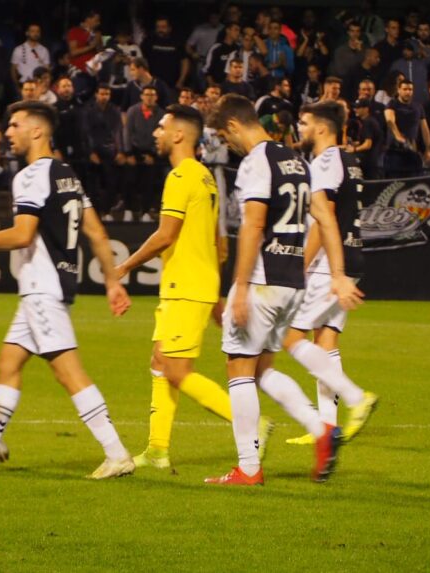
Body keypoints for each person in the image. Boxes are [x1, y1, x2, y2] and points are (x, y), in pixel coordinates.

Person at [0, 101, 135, 479]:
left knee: (68, 372)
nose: (7, 132)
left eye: (14, 125)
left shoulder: (31, 175)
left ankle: (117, 453)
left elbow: (22, 235)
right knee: (8, 363)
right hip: (49, 288)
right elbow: (97, 232)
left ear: (36, 131)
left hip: (42, 289)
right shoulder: (67, 174)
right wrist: (112, 281)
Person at [203, 95, 363, 486]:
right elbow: (326, 219)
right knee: (263, 369)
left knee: (238, 368)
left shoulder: (256, 161)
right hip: (293, 281)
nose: (228, 144)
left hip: (262, 280)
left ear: (234, 125)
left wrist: (240, 286)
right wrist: (338, 273)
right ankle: (322, 429)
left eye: (224, 136)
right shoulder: (297, 162)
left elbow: (254, 225)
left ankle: (249, 468)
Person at [113, 105, 243, 469]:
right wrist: (215, 294)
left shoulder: (182, 176)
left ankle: (251, 426)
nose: (155, 132)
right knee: (160, 362)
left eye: (161, 126)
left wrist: (124, 266)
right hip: (193, 283)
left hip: (185, 284)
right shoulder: (206, 177)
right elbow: (219, 244)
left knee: (175, 370)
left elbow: (165, 235)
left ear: (179, 134)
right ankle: (157, 449)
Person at [280, 101, 379, 447]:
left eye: (304, 122)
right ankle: (326, 427)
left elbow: (324, 220)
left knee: (290, 337)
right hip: (352, 258)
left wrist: (300, 265)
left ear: (321, 128)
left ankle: (357, 398)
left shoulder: (324, 163)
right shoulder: (349, 160)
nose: (300, 128)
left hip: (327, 265)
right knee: (325, 341)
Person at [124, 85, 165, 222]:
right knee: (129, 180)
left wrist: (153, 154)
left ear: (156, 97)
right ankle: (128, 210)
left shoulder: (161, 114)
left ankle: (146, 211)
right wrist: (129, 153)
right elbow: (127, 132)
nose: (149, 97)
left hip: (151, 152)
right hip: (133, 151)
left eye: (152, 95)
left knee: (149, 181)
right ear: (141, 96)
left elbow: (161, 135)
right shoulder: (133, 111)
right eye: (147, 94)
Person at [83, 84, 124, 217]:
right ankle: (95, 213)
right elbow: (86, 133)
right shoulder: (89, 111)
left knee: (111, 183)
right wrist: (90, 152)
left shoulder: (114, 111)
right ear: (96, 94)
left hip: (110, 151)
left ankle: (107, 211)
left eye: (107, 94)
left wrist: (120, 151)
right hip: (94, 151)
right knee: (93, 185)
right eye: (101, 94)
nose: (104, 97)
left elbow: (118, 132)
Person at [384, 79, 430, 177]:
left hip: (412, 151)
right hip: (395, 152)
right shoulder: (392, 104)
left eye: (410, 89)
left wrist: (428, 149)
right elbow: (390, 121)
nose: (408, 92)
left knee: (414, 181)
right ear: (399, 90)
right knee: (395, 182)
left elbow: (425, 129)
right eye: (405, 89)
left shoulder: (418, 107)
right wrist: (398, 136)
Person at [142, 16, 189, 91]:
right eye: (158, 27)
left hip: (173, 84)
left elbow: (184, 62)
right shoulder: (148, 41)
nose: (160, 30)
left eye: (163, 27)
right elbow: (143, 61)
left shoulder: (177, 41)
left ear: (169, 28)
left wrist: (181, 80)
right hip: (152, 83)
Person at [347, 99, 383, 179]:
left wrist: (354, 149)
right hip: (373, 161)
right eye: (355, 107)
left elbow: (367, 145)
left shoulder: (368, 122)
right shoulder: (370, 121)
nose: (355, 110)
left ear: (366, 109)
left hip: (370, 162)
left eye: (358, 108)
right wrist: (353, 143)